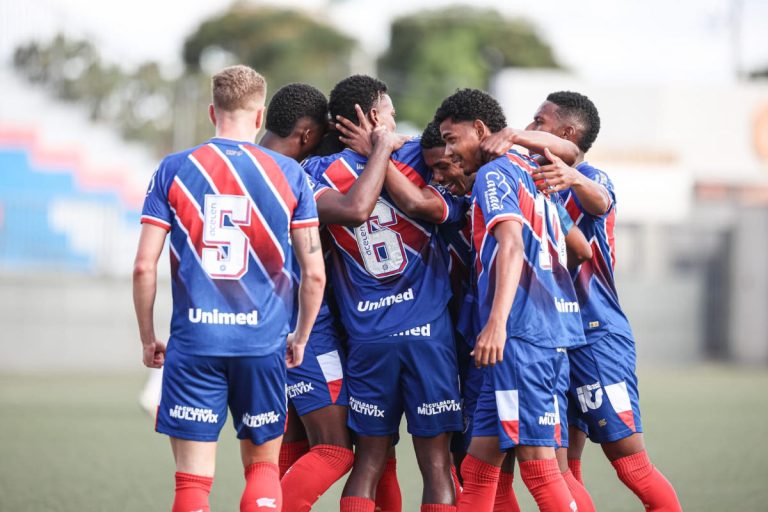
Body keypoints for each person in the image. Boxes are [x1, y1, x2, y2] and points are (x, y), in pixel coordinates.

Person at [132, 65, 325, 512]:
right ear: (260, 116)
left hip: (195, 341)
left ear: (211, 111)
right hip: (262, 343)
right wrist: (300, 337)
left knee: (192, 484)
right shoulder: (290, 176)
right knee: (262, 469)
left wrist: (148, 339)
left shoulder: (175, 169)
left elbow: (144, 266)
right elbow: (314, 273)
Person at [304, 75, 465, 512]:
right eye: (390, 111)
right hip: (428, 336)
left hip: (367, 339)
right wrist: (385, 145)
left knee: (369, 463)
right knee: (437, 465)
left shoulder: (312, 174)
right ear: (374, 117)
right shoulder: (417, 155)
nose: (395, 119)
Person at [526, 90, 682, 511]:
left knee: (631, 465)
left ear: (566, 133)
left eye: (539, 121)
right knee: (561, 470)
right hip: (553, 338)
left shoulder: (592, 177)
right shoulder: (527, 180)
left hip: (596, 336)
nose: (530, 127)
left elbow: (602, 200)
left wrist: (574, 177)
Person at [434, 88, 587, 512]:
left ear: (481, 130)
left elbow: (511, 245)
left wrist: (497, 323)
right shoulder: (527, 166)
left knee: (539, 468)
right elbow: (578, 246)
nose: (449, 149)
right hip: (546, 334)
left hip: (521, 337)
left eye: (452, 138)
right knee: (479, 468)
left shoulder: (495, 173)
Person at [259, 82, 403, 512]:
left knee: (296, 442)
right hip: (304, 332)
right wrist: (380, 149)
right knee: (339, 449)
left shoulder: (243, 166)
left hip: (263, 326)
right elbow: (356, 209)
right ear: (308, 135)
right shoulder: (293, 175)